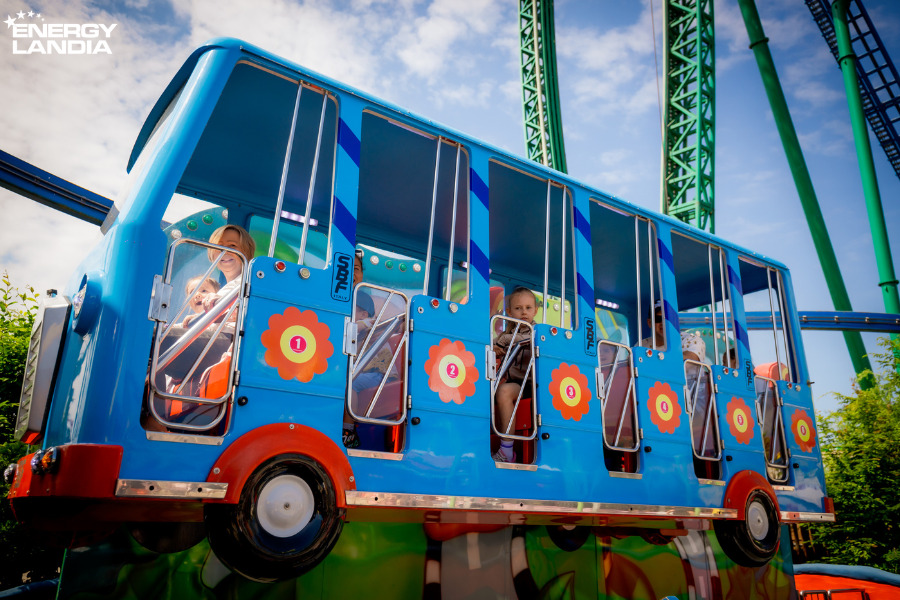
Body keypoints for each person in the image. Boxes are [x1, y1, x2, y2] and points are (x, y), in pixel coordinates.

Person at [492, 286, 537, 463]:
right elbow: (491, 343)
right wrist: (494, 348)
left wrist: (503, 342)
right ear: (509, 312)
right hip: (516, 384)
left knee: (504, 391)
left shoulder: (537, 331)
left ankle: (507, 451)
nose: (524, 312)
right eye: (518, 308)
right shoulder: (508, 333)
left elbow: (529, 339)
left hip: (532, 385)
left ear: (535, 311)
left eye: (528, 308)